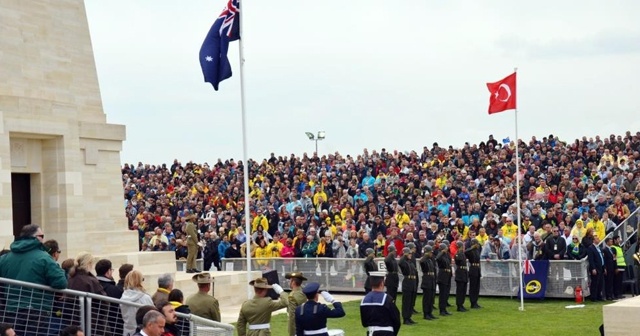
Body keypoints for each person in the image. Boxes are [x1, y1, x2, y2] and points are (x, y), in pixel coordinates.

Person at [0, 224, 67, 336]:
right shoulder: (44, 258)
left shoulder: (5, 258)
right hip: (37, 310)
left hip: (11, 310)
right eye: (42, 235)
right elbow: (61, 282)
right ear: (36, 237)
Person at [360, 271, 401, 336]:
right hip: (386, 333)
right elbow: (396, 319)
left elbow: (364, 323)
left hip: (371, 332)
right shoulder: (387, 298)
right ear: (382, 283)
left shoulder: (364, 300)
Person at [95, 258, 124, 336]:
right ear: (108, 272)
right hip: (112, 327)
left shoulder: (93, 285)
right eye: (111, 270)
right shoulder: (113, 289)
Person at [120, 270, 154, 336]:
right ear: (139, 281)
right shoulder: (145, 297)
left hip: (127, 332)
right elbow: (153, 314)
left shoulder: (123, 298)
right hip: (142, 332)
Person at [398, 247, 418, 325]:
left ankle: (409, 317)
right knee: (406, 302)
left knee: (410, 302)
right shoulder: (404, 262)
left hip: (412, 282)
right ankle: (405, 318)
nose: (410, 255)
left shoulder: (410, 262)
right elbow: (400, 263)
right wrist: (404, 254)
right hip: (407, 282)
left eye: (410, 253)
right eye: (409, 253)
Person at [419, 245, 438, 320]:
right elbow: (422, 261)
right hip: (427, 280)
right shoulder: (424, 260)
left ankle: (430, 312)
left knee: (431, 298)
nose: (431, 254)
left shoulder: (430, 260)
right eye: (430, 253)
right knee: (426, 298)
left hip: (431, 279)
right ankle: (426, 313)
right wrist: (425, 255)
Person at [436, 242, 453, 316]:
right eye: (445, 249)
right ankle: (442, 310)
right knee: (442, 294)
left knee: (446, 293)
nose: (446, 250)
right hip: (442, 275)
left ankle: (444, 309)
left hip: (447, 275)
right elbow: (437, 258)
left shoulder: (446, 255)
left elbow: (449, 263)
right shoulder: (440, 255)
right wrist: (441, 252)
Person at [586, 235, 605, 302]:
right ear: (593, 240)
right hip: (595, 268)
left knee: (600, 283)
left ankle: (599, 296)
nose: (598, 239)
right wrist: (593, 268)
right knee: (595, 283)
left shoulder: (599, 247)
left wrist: (604, 267)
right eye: (597, 239)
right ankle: (593, 297)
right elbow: (591, 259)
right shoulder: (591, 248)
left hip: (601, 267)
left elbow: (602, 257)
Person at [465, 238, 482, 309]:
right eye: (476, 244)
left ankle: (475, 301)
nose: (477, 245)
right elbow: (465, 252)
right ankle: (472, 302)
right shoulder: (470, 251)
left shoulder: (477, 250)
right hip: (473, 268)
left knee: (477, 287)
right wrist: (472, 247)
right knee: (473, 286)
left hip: (477, 268)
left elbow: (480, 247)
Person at [453, 241, 468, 312]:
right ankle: (459, 305)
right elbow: (458, 261)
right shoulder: (458, 254)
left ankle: (461, 304)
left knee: (463, 289)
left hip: (464, 272)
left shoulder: (462, 254)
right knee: (460, 290)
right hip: (460, 272)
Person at [611, 235, 626, 299]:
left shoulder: (619, 247)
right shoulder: (613, 248)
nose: (619, 240)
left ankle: (620, 293)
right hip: (618, 266)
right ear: (615, 240)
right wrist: (616, 267)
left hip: (622, 266)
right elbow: (614, 258)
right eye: (618, 239)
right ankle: (616, 294)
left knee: (620, 281)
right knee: (616, 281)